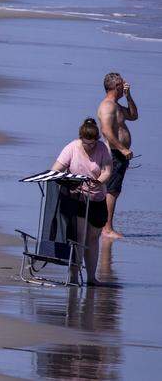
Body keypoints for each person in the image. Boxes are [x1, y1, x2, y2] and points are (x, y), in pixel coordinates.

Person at [50, 118, 113, 285]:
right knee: (79, 236)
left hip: (97, 198)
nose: (90, 147)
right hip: (77, 198)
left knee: (93, 237)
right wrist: (69, 183)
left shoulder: (102, 148)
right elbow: (55, 170)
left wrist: (99, 180)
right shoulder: (72, 147)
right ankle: (74, 275)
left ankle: (92, 277)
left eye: (93, 144)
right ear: (81, 138)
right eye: (87, 144)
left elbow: (108, 171)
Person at [97, 73, 137, 239]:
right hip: (113, 153)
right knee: (112, 191)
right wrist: (122, 149)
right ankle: (107, 228)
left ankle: (106, 227)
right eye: (122, 84)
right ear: (115, 87)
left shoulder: (117, 106)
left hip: (119, 154)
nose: (125, 85)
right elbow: (106, 131)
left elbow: (134, 116)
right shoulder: (107, 106)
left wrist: (129, 97)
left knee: (115, 190)